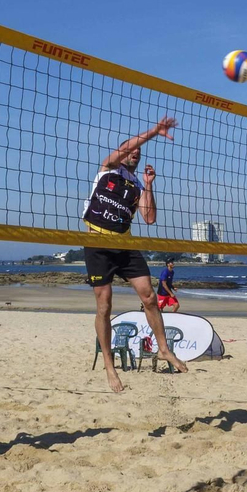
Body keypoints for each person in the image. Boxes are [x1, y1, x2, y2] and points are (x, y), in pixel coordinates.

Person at [83, 115, 189, 392]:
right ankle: (109, 366)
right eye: (130, 150)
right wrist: (154, 131)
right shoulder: (107, 169)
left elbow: (149, 218)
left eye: (137, 153)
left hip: (125, 244)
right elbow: (129, 145)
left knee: (149, 297)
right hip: (97, 243)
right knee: (104, 305)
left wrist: (150, 185)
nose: (134, 153)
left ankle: (164, 349)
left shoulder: (138, 185)